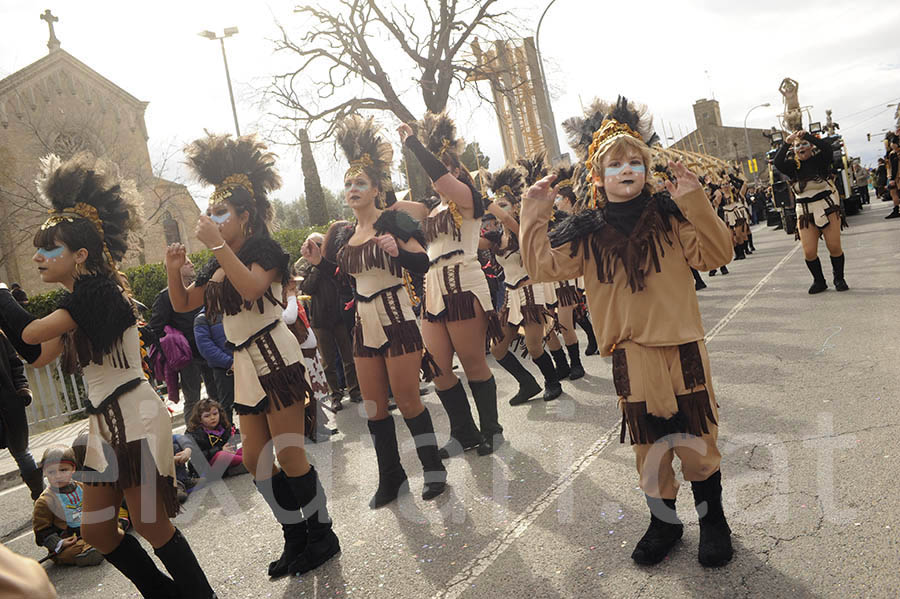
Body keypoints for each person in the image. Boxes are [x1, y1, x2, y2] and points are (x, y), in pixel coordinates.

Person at [520, 97, 734, 568]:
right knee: (649, 447)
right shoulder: (587, 231)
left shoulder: (670, 214)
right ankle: (664, 523)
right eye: (614, 163)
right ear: (596, 176)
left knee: (697, 439)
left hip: (682, 346)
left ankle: (713, 520)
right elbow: (539, 266)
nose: (626, 169)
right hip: (630, 353)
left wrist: (693, 200)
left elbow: (717, 255)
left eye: (635, 160)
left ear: (647, 167)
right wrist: (532, 213)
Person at [0, 152, 216, 596]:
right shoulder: (78, 298)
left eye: (49, 248)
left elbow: (30, 331)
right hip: (104, 425)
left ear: (80, 254)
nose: (38, 256)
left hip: (133, 419)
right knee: (99, 532)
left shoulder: (97, 292)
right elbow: (35, 352)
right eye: (39, 248)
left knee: (151, 525)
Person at [169, 132, 339, 578]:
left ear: (245, 216)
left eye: (221, 212)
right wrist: (172, 271)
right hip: (245, 364)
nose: (213, 218)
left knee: (289, 455)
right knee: (254, 460)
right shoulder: (218, 258)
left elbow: (250, 288)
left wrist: (217, 247)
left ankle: (322, 534)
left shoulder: (265, 249)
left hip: (276, 357)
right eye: (212, 211)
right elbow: (186, 303)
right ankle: (295, 534)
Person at [303, 115, 446, 508]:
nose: (352, 189)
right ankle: (392, 477)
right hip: (363, 324)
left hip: (397, 315)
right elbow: (348, 278)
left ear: (376, 188)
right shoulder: (344, 234)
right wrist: (320, 264)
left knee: (408, 398)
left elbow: (423, 264)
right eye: (348, 184)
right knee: (373, 405)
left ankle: (433, 469)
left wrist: (399, 252)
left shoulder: (393, 221)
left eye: (360, 183)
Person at [391, 113, 505, 457]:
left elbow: (440, 180)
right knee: (439, 368)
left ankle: (492, 429)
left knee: (473, 363)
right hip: (434, 288)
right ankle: (464, 433)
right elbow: (395, 207)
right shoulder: (432, 207)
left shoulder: (470, 198)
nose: (441, 175)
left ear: (459, 172)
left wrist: (413, 143)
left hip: (464, 282)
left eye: (448, 169)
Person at [482, 165, 563, 403]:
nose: (501, 211)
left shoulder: (522, 230)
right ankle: (527, 383)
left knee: (534, 345)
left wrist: (486, 202)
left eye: (504, 205)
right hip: (510, 296)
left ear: (516, 207)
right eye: (499, 205)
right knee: (497, 349)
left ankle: (552, 381)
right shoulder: (496, 237)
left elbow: (506, 218)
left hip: (531, 291)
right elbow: (470, 244)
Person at [773, 129, 849, 293]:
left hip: (826, 206)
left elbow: (827, 148)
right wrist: (787, 142)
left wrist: (806, 135)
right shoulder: (792, 166)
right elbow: (777, 162)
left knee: (834, 247)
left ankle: (839, 278)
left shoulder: (820, 160)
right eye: (797, 145)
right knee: (809, 251)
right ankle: (819, 281)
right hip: (805, 211)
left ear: (811, 147)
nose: (801, 147)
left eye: (804, 144)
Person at [298, 237, 362, 409]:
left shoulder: (334, 264)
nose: (318, 248)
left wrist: (323, 264)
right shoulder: (307, 267)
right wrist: (317, 266)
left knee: (349, 356)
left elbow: (343, 281)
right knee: (328, 361)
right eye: (315, 245)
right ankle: (336, 395)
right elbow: (307, 287)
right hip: (320, 320)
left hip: (340, 317)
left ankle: (355, 391)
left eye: (320, 244)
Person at [151, 261, 218, 425]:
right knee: (192, 400)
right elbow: (155, 328)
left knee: (217, 396)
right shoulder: (165, 297)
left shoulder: (200, 290)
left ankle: (224, 432)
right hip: (187, 357)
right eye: (186, 262)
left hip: (208, 350)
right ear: (174, 269)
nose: (192, 264)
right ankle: (193, 440)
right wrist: (172, 348)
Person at [32, 445, 104, 567]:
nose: (58, 476)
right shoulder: (45, 501)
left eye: (63, 470)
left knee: (110, 526)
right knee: (70, 552)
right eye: (51, 472)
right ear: (44, 472)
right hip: (70, 541)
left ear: (73, 469)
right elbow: (41, 531)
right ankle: (91, 552)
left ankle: (97, 546)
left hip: (89, 530)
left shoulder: (82, 487)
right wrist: (59, 543)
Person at [282, 275, 335, 440]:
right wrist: (290, 299)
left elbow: (305, 325)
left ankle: (320, 425)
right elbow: (288, 318)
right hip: (300, 356)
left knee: (315, 392)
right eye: (292, 285)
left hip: (309, 354)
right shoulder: (283, 301)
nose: (295, 287)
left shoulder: (293, 299)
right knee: (308, 393)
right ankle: (312, 430)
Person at [0, 330, 44, 500]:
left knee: (22, 453)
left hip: (9, 407)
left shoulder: (1, 336)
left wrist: (22, 389)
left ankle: (41, 497)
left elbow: (15, 364)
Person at [194, 308, 235, 426]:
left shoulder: (235, 308)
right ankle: (228, 438)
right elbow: (205, 348)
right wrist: (229, 363)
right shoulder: (202, 318)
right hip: (224, 369)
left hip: (244, 363)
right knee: (225, 408)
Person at [186, 398, 246, 478]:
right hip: (205, 468)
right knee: (222, 455)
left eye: (215, 414)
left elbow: (234, 441)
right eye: (207, 416)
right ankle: (249, 462)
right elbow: (198, 457)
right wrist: (220, 449)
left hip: (226, 460)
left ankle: (242, 465)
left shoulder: (223, 426)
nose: (212, 418)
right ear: (199, 419)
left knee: (244, 449)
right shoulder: (195, 433)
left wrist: (238, 436)